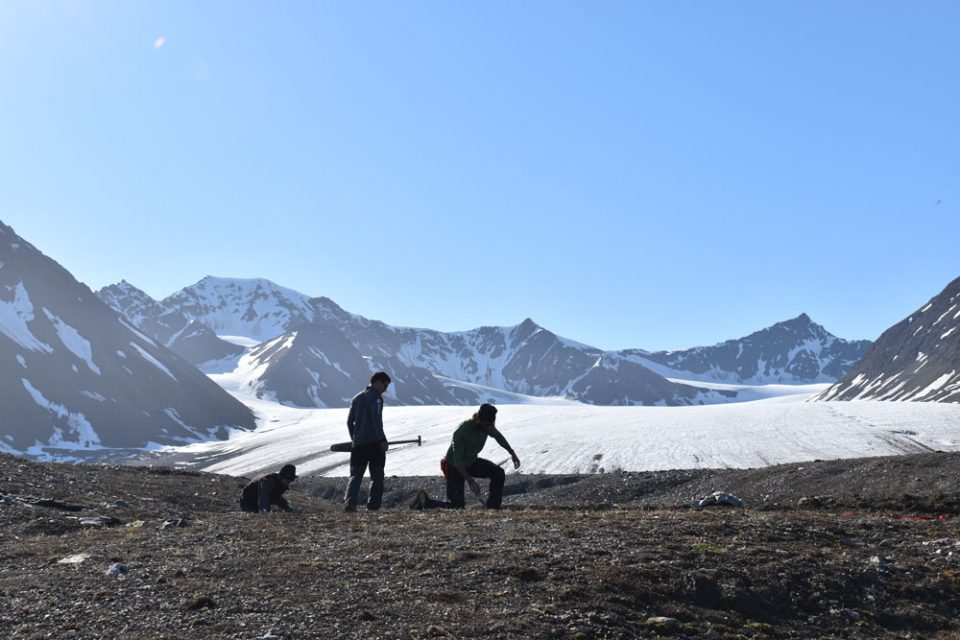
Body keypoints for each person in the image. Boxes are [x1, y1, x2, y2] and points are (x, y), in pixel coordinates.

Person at [412, 403, 521, 510]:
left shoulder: (487, 426)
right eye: (487, 425)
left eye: (492, 424)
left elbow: (499, 437)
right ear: (478, 419)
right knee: (457, 506)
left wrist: (512, 453)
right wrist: (470, 481)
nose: (490, 428)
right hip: (454, 467)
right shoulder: (461, 432)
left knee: (498, 473)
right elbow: (458, 461)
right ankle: (424, 502)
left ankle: (493, 507)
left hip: (471, 461)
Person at [343, 371, 391, 512]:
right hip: (374, 444)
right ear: (377, 382)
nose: (385, 389)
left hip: (358, 445)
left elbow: (349, 422)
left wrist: (354, 439)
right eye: (385, 385)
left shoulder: (356, 398)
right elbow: (376, 420)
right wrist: (382, 439)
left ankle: (350, 503)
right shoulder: (376, 398)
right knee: (377, 476)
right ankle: (373, 505)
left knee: (355, 476)